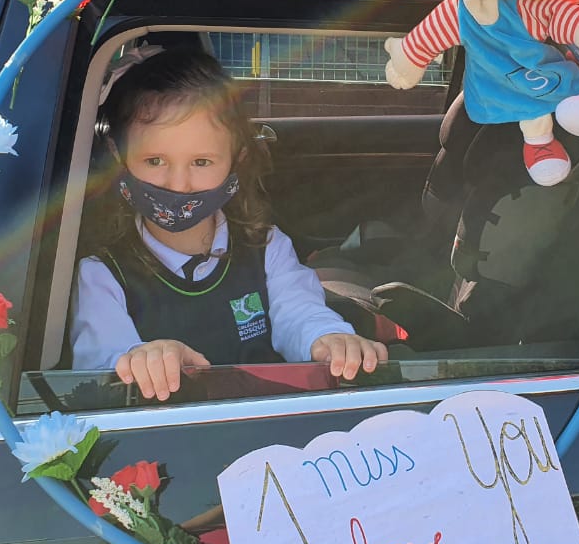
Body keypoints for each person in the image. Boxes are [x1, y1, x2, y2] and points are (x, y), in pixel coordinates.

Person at [71, 47, 387, 401]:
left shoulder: (265, 246)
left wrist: (328, 338)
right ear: (118, 156)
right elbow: (99, 365)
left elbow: (299, 312)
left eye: (202, 162)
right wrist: (138, 360)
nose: (179, 184)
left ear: (236, 159)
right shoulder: (102, 274)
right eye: (155, 160)